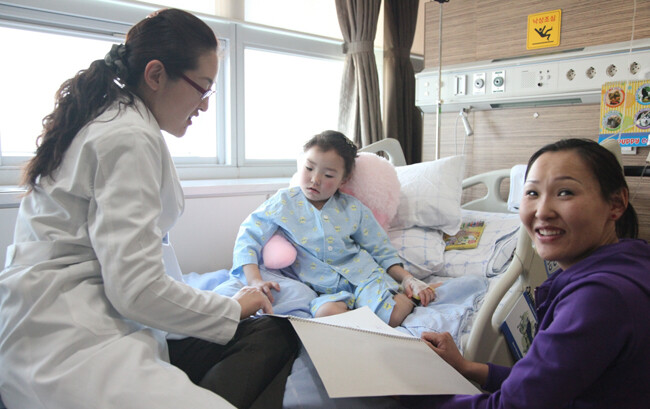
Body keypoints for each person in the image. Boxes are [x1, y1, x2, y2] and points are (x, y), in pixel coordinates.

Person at [0, 9, 298, 409]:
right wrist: (230, 306)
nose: (204, 106)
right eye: (203, 88)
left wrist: (224, 310)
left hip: (87, 310)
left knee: (274, 333)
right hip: (70, 336)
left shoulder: (115, 119)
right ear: (156, 75)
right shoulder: (127, 136)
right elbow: (136, 290)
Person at [402, 138, 650, 408]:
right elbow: (546, 383)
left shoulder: (598, 298)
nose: (542, 211)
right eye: (532, 193)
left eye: (565, 192)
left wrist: (406, 393)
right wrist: (466, 367)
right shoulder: (629, 262)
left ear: (616, 203)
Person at [226, 130, 436, 327]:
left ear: (343, 180)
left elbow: (381, 249)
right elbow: (249, 237)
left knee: (393, 316)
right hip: (323, 289)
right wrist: (255, 280)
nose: (315, 179)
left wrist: (407, 278)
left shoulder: (353, 208)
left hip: (365, 277)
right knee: (326, 316)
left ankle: (403, 298)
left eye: (328, 175)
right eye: (309, 168)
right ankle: (363, 319)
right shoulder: (283, 202)